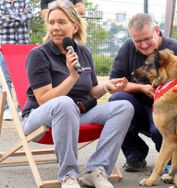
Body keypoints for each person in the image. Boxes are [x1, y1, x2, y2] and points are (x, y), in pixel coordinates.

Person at [21, 0, 134, 188]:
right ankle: (68, 175)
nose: (55, 27)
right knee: (64, 103)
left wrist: (107, 87)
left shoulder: (83, 52)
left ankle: (96, 171)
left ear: (75, 26)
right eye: (52, 22)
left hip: (77, 113)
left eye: (61, 22)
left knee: (124, 106)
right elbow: (44, 99)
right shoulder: (38, 55)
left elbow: (90, 91)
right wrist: (72, 77)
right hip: (39, 118)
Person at [109, 13, 177, 172]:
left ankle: (170, 161)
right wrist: (142, 88)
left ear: (156, 30)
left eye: (147, 38)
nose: (143, 45)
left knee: (158, 129)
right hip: (138, 106)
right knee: (117, 101)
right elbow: (114, 83)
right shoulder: (127, 49)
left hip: (169, 108)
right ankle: (135, 155)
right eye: (137, 41)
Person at [0, 0, 34, 120]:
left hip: (22, 48)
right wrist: (20, 16)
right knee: (4, 80)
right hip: (4, 47)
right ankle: (6, 110)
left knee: (24, 79)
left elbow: (30, 14)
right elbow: (1, 21)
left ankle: (23, 108)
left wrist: (10, 16)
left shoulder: (26, 2)